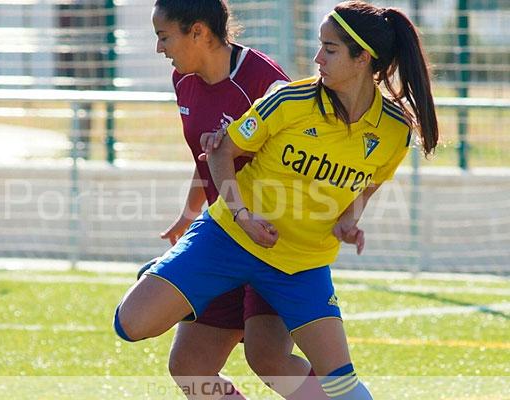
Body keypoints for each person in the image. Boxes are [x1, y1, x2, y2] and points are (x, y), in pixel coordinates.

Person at [116, 1, 439, 399]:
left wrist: (348, 220)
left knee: (311, 372)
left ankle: (179, 280)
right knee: (136, 328)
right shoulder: (291, 101)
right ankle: (175, 276)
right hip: (230, 236)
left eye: (329, 48)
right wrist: (230, 215)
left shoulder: (392, 131)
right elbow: (218, 153)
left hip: (298, 261)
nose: (316, 57)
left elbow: (369, 181)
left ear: (362, 59)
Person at [139, 1, 326, 399]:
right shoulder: (183, 79)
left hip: (272, 241)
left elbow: (304, 165)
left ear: (199, 32)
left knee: (270, 359)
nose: (160, 49)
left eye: (163, 36)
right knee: (190, 367)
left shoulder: (264, 82)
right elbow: (206, 157)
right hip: (222, 236)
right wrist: (189, 215)